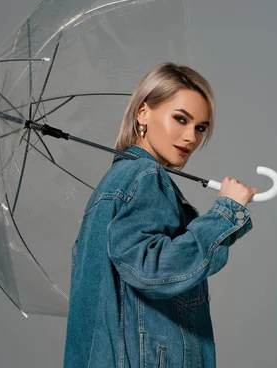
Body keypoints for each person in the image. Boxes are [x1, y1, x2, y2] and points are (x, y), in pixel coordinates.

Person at [63, 62, 258, 368]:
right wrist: (226, 212)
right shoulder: (143, 176)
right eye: (180, 119)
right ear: (143, 113)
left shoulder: (117, 181)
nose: (190, 137)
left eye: (200, 128)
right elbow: (152, 269)